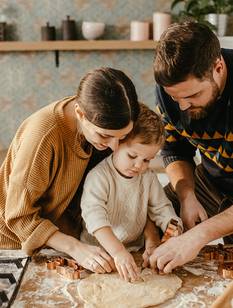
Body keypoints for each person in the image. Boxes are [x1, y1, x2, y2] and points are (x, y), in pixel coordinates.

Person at [0, 67, 140, 274]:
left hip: (58, 240)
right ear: (80, 114)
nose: (115, 147)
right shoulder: (44, 135)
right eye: (104, 136)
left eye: (122, 136)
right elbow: (18, 216)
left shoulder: (106, 118)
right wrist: (75, 248)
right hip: (12, 244)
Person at [149, 20, 233, 273]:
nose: (183, 107)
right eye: (176, 98)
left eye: (193, 96)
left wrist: (198, 236)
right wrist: (187, 195)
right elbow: (175, 150)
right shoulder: (171, 90)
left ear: (218, 67)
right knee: (146, 217)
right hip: (210, 180)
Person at [80, 103, 183, 281]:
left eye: (147, 160)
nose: (139, 166)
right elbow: (94, 218)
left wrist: (173, 228)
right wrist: (118, 252)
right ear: (117, 143)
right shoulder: (99, 177)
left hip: (135, 251)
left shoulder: (148, 177)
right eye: (132, 156)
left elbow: (162, 209)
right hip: (99, 254)